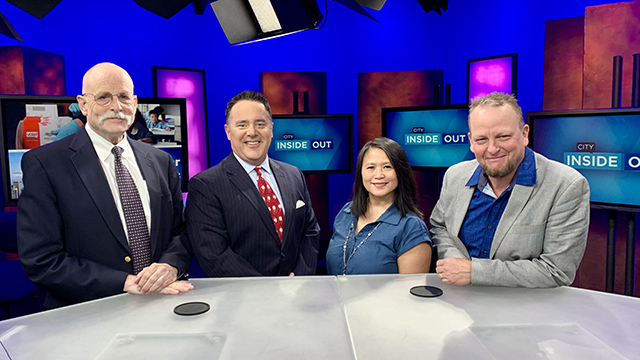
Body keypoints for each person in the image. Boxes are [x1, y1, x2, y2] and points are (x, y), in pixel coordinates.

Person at [17, 63, 193, 308]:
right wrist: (125, 282)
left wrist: (171, 265)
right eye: (103, 97)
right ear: (84, 104)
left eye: (123, 97)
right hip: (87, 313)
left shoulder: (160, 161)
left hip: (161, 302)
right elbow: (41, 260)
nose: (116, 107)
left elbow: (181, 232)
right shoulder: (44, 164)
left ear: (134, 102)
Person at [430, 92, 590, 288]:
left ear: (524, 134)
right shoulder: (455, 176)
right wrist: (455, 263)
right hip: (460, 300)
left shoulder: (566, 185)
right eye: (481, 140)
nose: (492, 148)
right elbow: (440, 227)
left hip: (525, 311)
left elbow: (556, 271)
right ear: (471, 141)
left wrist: (474, 272)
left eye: (503, 136)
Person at [186, 90, 320, 276]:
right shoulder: (205, 186)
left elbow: (310, 231)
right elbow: (214, 255)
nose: (252, 132)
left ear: (271, 129)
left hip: (296, 292)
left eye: (260, 124)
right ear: (228, 132)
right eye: (242, 125)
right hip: (242, 298)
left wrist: (299, 278)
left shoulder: (294, 174)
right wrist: (268, 290)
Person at [326, 137, 432, 275]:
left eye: (387, 167)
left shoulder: (411, 227)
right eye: (371, 167)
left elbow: (410, 290)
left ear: (400, 173)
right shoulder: (346, 213)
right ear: (361, 173)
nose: (378, 175)